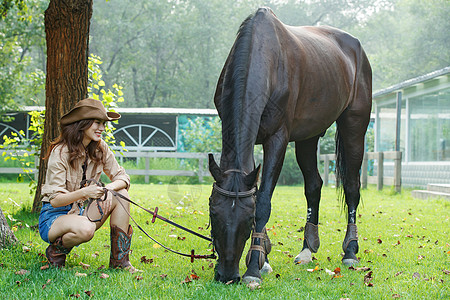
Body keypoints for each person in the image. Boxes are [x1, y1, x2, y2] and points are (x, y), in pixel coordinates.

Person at [38, 98, 138, 272]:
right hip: (54, 217)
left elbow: (122, 177)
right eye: (97, 122)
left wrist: (108, 189)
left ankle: (120, 263)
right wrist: (86, 192)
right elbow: (55, 201)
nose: (102, 128)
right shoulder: (60, 152)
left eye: (103, 124)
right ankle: (56, 252)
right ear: (82, 124)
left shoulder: (100, 148)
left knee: (121, 194)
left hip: (81, 212)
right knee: (86, 229)